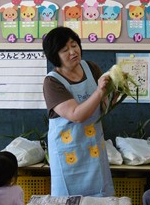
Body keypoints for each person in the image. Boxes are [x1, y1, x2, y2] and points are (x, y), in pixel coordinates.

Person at [42, 26, 115, 197]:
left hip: (94, 148)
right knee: (69, 198)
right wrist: (99, 92)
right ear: (55, 56)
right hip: (68, 151)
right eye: (65, 49)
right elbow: (76, 115)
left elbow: (104, 107)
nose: (73, 51)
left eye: (74, 45)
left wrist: (116, 91)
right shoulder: (52, 82)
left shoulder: (91, 68)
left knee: (100, 196)